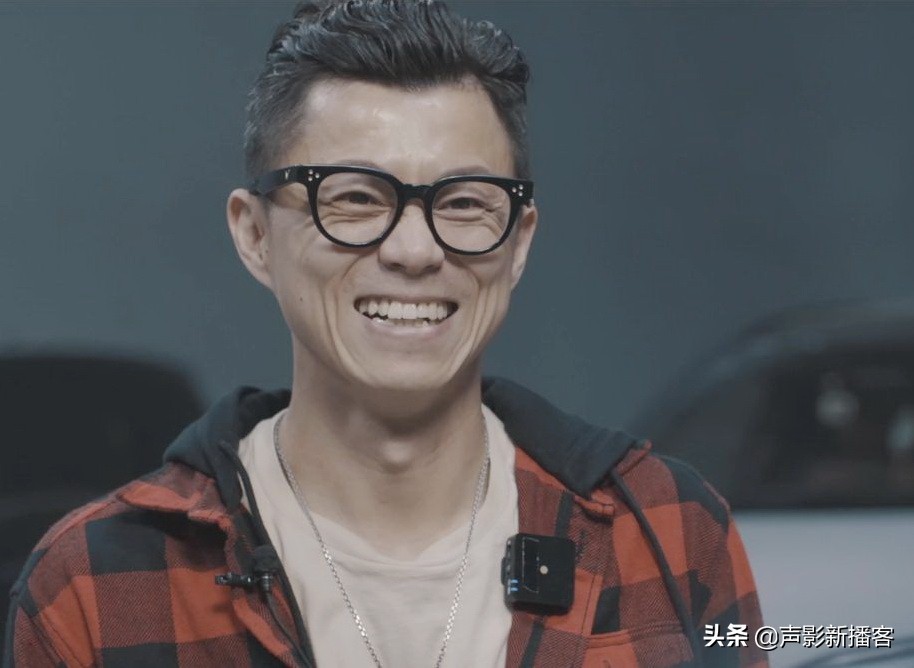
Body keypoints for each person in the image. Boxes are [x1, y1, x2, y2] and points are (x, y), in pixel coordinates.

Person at [4, 1, 766, 666]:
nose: (414, 250)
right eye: (356, 198)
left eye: (464, 203)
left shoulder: (663, 527)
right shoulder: (97, 582)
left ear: (519, 242)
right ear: (255, 235)